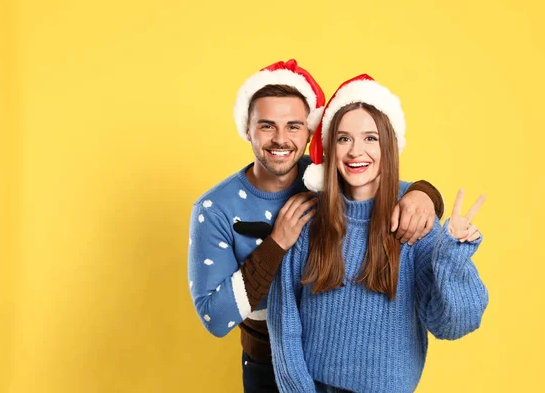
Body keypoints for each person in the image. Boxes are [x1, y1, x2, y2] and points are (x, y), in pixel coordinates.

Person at [188, 61, 445, 393]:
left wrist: (424, 194)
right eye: (266, 126)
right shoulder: (215, 208)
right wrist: (276, 243)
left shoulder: (323, 177)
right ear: (247, 129)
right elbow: (215, 317)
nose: (281, 139)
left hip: (328, 361)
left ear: (310, 132)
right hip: (266, 360)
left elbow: (376, 180)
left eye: (294, 126)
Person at [267, 74, 488, 393]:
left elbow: (452, 325)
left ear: (390, 145)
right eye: (344, 138)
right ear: (330, 148)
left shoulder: (415, 222)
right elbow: (284, 321)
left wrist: (452, 257)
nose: (357, 151)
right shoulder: (307, 220)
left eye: (371, 138)